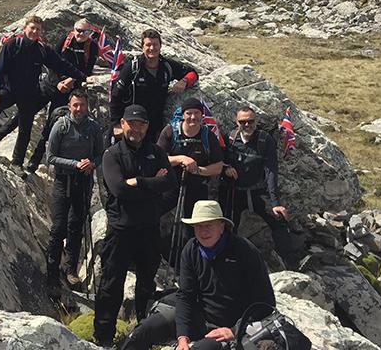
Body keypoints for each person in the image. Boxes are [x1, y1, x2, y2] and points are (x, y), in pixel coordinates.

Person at [118, 200, 275, 350]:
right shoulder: (191, 249)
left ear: (222, 226)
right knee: (142, 332)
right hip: (199, 317)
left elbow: (266, 303)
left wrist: (234, 330)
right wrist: (182, 337)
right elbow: (186, 296)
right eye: (198, 226)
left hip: (230, 327)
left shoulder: (244, 251)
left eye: (209, 225)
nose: (203, 231)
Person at [93, 104, 177, 347]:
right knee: (111, 285)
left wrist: (139, 182)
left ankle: (144, 333)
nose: (136, 129)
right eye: (132, 123)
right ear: (122, 124)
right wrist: (153, 184)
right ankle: (103, 337)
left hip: (149, 229)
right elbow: (118, 189)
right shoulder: (112, 154)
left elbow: (170, 181)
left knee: (147, 284)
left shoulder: (156, 152)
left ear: (147, 127)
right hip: (121, 230)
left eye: (141, 124)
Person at [0, 15, 87, 171]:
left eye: (38, 29)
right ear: (25, 28)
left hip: (29, 93)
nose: (35, 31)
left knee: (25, 129)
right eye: (32, 28)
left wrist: (83, 76)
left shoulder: (42, 50)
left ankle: (17, 163)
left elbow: (61, 64)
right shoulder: (12, 45)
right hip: (9, 90)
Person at [7, 18, 100, 175]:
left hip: (68, 93)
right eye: (77, 30)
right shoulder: (65, 40)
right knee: (23, 115)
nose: (79, 34)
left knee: (50, 126)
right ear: (73, 29)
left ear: (89, 32)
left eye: (84, 32)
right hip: (50, 85)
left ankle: (33, 162)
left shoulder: (92, 47)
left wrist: (70, 80)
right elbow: (52, 61)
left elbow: (86, 70)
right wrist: (58, 82)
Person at [219, 106, 298, 268]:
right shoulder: (229, 137)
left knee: (279, 221)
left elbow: (271, 171)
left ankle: (292, 264)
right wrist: (225, 168)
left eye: (250, 121)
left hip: (258, 191)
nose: (247, 125)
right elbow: (219, 159)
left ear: (257, 121)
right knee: (227, 227)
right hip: (233, 191)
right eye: (242, 122)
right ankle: (226, 263)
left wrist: (275, 203)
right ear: (236, 122)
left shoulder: (265, 140)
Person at [45, 87, 104, 297]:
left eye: (82, 105)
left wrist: (91, 164)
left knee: (76, 225)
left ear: (87, 107)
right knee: (58, 227)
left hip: (83, 182)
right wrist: (74, 164)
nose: (79, 109)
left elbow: (100, 155)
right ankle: (52, 273)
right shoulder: (60, 126)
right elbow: (50, 157)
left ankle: (69, 269)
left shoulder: (94, 128)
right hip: (63, 181)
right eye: (75, 105)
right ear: (69, 106)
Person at [109, 29, 198, 144]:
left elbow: (193, 73)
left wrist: (184, 81)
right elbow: (115, 95)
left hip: (155, 125)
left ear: (160, 46)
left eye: (155, 44)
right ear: (142, 47)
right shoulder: (132, 67)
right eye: (148, 45)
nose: (152, 48)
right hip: (133, 123)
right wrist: (116, 124)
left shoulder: (166, 66)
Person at [158, 97, 223, 221]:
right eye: (189, 113)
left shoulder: (208, 135)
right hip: (170, 184)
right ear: (183, 114)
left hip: (197, 186)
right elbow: (158, 159)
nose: (193, 117)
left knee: (196, 222)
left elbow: (218, 166)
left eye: (197, 113)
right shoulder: (170, 131)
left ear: (202, 114)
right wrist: (180, 159)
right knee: (154, 213)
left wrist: (197, 170)